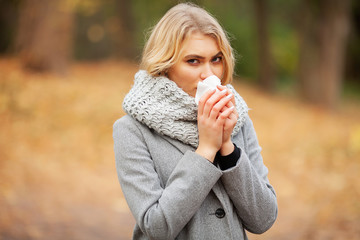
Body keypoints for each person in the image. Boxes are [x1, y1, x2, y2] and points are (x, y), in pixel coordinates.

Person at [113, 3, 277, 240]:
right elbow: (156, 226)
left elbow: (263, 219)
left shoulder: (237, 118)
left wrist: (227, 147)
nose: (209, 74)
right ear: (165, 65)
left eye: (216, 59)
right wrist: (207, 149)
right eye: (193, 61)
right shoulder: (132, 130)